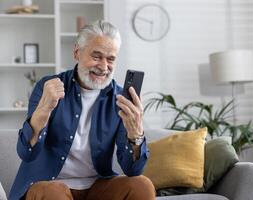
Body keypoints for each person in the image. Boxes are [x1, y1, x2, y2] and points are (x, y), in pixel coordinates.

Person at [9, 20, 155, 200]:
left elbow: (133, 170)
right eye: (96, 56)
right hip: (49, 185)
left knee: (141, 185)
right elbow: (26, 153)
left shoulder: (120, 99)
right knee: (52, 193)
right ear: (77, 52)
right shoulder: (48, 87)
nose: (103, 67)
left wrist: (136, 134)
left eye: (110, 59)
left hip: (97, 187)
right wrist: (43, 110)